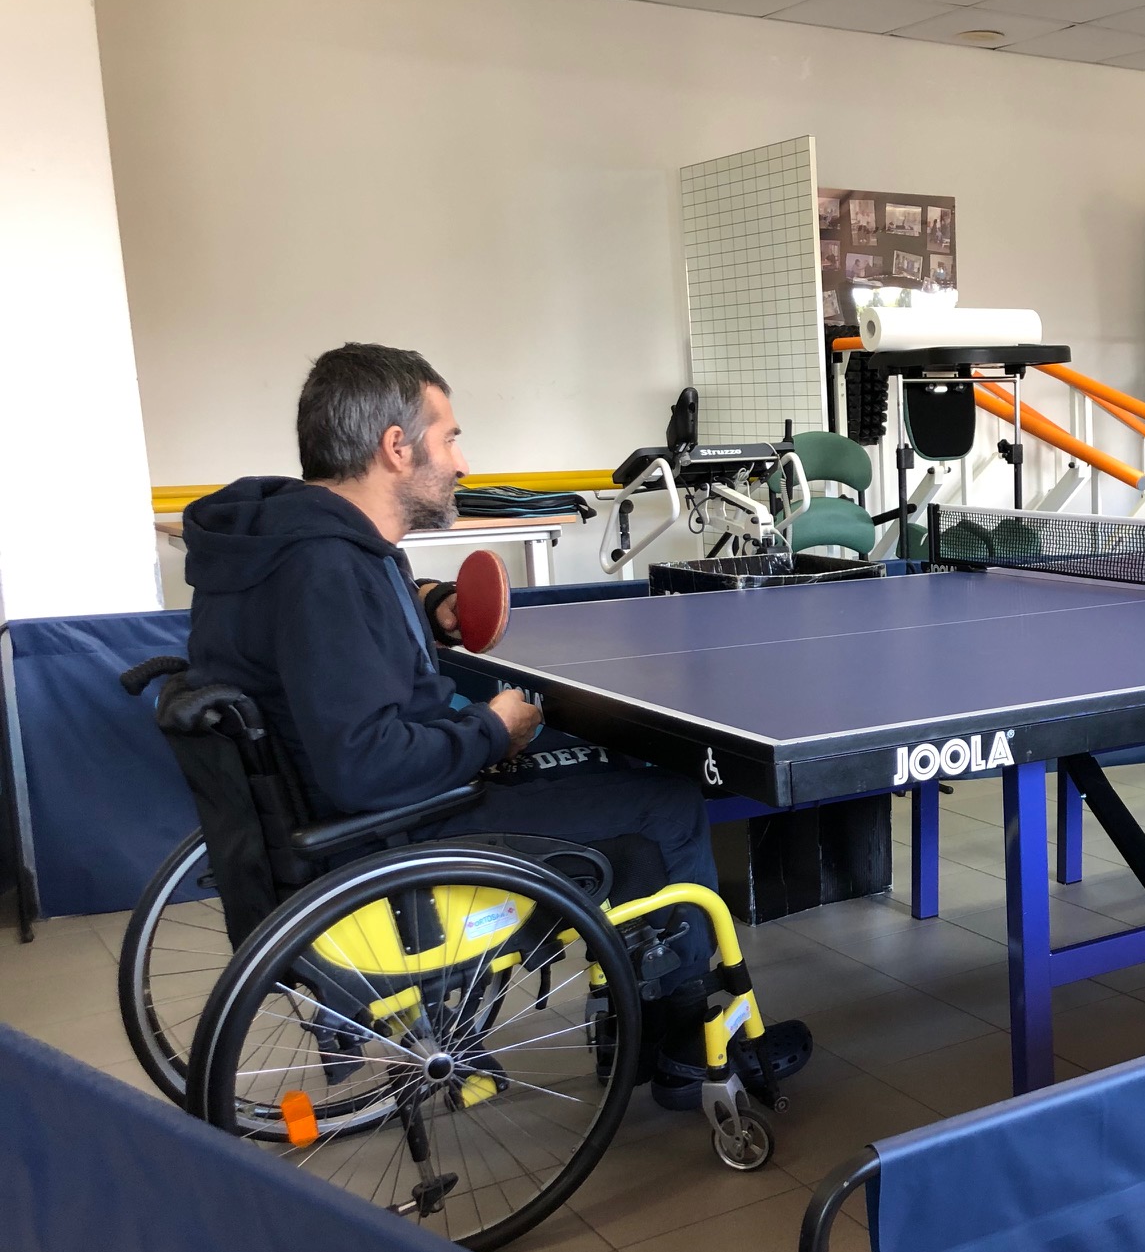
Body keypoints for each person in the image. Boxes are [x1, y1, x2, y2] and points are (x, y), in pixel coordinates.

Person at [181, 342, 809, 1106]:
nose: (462, 462)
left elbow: (328, 649)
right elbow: (366, 764)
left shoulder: (281, 545)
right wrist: (491, 728)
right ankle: (682, 1046)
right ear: (396, 447)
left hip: (322, 827)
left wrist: (428, 603)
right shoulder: (329, 570)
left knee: (602, 757)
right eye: (449, 438)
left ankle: (632, 1005)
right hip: (392, 831)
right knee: (667, 802)